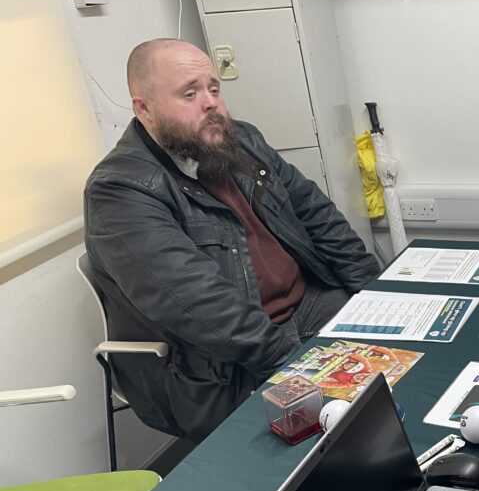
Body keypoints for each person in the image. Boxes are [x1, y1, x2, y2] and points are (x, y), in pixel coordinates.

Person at [84, 38, 380, 442]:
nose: (211, 104)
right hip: (223, 364)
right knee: (349, 431)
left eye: (214, 89)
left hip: (309, 306)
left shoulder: (241, 141)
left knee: (412, 368)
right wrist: (293, 370)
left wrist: (378, 296)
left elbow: (317, 216)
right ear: (144, 109)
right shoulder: (120, 190)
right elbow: (200, 304)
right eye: (190, 93)